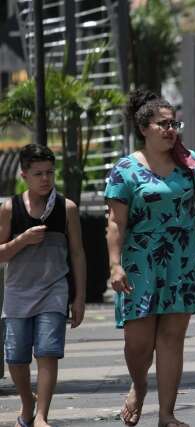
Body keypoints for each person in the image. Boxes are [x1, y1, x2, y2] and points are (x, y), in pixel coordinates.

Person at [105, 90, 195, 427]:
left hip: (183, 260)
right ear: (144, 128)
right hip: (140, 264)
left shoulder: (189, 162)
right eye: (163, 124)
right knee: (138, 343)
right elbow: (115, 222)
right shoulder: (125, 170)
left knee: (171, 340)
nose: (171, 130)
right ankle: (139, 386)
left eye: (174, 123)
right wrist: (114, 264)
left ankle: (167, 414)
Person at [0, 144, 86, 427]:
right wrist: (22, 240)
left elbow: (77, 253)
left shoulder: (66, 208)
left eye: (50, 172)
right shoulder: (10, 208)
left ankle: (41, 416)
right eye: (38, 174)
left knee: (48, 352)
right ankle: (27, 404)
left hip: (54, 289)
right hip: (18, 293)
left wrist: (79, 297)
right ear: (24, 175)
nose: (45, 179)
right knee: (16, 357)